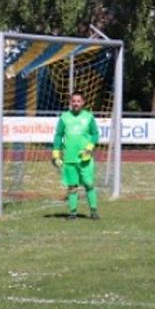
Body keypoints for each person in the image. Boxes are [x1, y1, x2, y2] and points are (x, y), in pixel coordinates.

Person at [52, 90, 101, 219]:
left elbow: (95, 134)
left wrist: (89, 147)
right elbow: (58, 135)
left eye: (78, 101)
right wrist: (56, 153)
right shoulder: (64, 117)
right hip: (69, 158)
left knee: (89, 184)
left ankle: (94, 211)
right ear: (70, 102)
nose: (76, 103)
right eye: (73, 101)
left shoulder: (89, 117)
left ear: (83, 102)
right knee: (72, 186)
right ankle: (72, 213)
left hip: (85, 159)